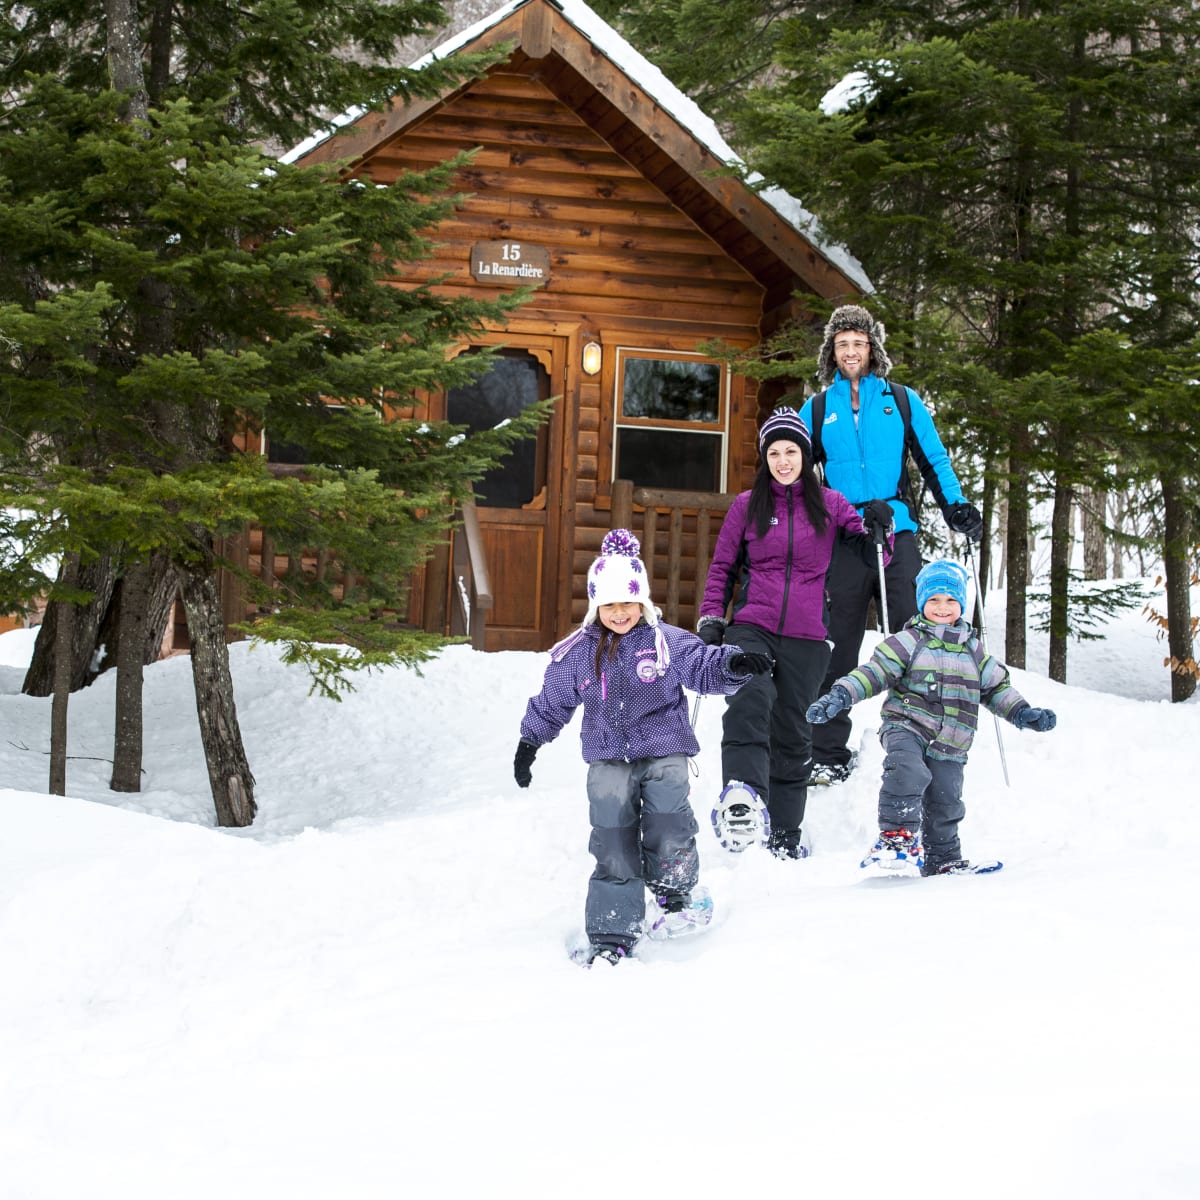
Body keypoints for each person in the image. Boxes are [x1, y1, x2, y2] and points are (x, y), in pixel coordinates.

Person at [514, 528, 772, 967]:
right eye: (610, 605)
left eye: (628, 603)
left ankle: (676, 895)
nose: (619, 613)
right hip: (608, 758)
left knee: (668, 824)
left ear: (643, 603)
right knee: (612, 839)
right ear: (596, 606)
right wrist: (530, 741)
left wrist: (734, 662)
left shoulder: (665, 641)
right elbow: (553, 699)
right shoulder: (578, 652)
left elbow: (702, 667)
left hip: (665, 750)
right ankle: (613, 930)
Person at [696, 406, 893, 860]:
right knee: (750, 695)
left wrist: (884, 531)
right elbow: (723, 568)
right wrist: (711, 619)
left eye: (791, 451)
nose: (783, 461)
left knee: (792, 730)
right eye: (774, 453)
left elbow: (873, 557)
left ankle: (785, 833)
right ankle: (743, 798)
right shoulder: (747, 506)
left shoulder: (831, 504)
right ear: (764, 458)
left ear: (804, 455)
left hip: (807, 635)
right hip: (752, 626)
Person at [799, 304, 984, 785]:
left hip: (897, 533)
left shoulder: (900, 401)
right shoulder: (820, 408)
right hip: (845, 536)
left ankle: (920, 737)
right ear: (832, 353)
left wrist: (956, 506)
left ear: (872, 348)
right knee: (838, 640)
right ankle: (827, 751)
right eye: (842, 345)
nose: (851, 352)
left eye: (858, 343)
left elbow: (933, 458)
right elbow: (794, 473)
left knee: (912, 636)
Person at [806, 559, 1057, 875]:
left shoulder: (975, 651)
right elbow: (874, 673)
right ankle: (896, 837)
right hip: (907, 726)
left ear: (962, 605)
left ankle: (943, 859)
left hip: (953, 740)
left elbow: (996, 688)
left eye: (951, 600)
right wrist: (841, 695)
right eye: (934, 600)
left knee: (946, 801)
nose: (942, 607)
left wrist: (1022, 712)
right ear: (922, 601)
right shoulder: (908, 642)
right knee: (907, 770)